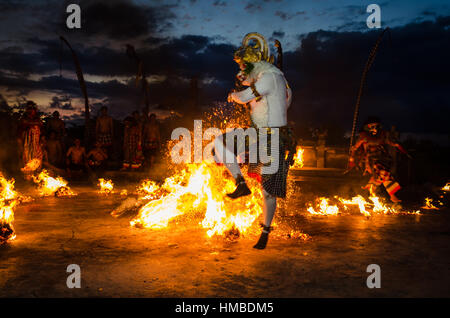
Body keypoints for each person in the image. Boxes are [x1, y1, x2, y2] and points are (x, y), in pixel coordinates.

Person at [213, 33, 296, 250]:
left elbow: (243, 97)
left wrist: (233, 95)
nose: (240, 72)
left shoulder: (270, 79)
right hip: (256, 134)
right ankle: (241, 184)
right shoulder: (267, 79)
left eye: (243, 67)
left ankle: (265, 231)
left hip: (273, 138)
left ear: (255, 64)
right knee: (221, 142)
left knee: (267, 192)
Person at [348, 116, 410, 203]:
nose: (374, 128)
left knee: (381, 176)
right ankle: (391, 195)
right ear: (367, 127)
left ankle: (371, 189)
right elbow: (355, 148)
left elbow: (390, 142)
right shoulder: (363, 137)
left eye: (376, 126)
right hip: (371, 161)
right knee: (384, 174)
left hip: (382, 159)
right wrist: (352, 152)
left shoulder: (382, 136)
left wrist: (397, 145)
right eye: (372, 126)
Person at [18, 101, 44, 172]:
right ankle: (28, 177)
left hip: (36, 144)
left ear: (35, 110)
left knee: (37, 159)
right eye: (29, 108)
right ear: (27, 110)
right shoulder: (23, 120)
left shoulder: (38, 120)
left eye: (33, 108)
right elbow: (20, 134)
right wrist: (20, 145)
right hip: (27, 144)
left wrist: (42, 142)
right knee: (27, 159)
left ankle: (37, 176)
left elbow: (42, 133)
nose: (31, 110)